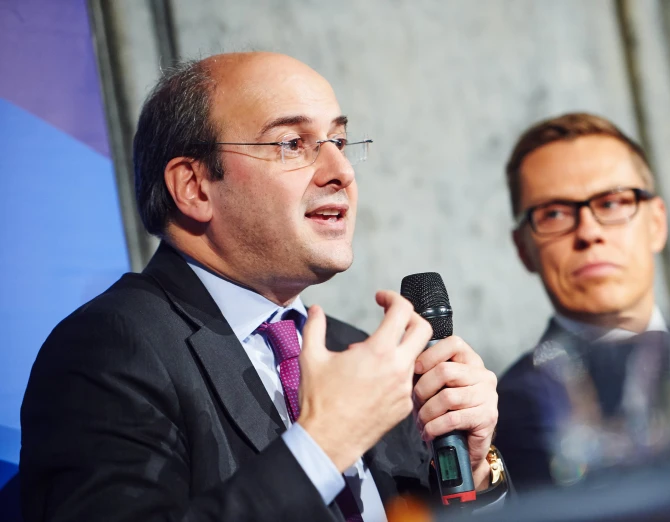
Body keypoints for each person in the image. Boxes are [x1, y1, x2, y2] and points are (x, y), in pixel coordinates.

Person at [20, 52, 504, 521]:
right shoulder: (108, 351)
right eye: (292, 143)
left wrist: (476, 472)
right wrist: (325, 443)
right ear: (194, 186)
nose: (342, 172)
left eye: (339, 140)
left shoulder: (356, 353)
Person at [495, 112, 670, 488]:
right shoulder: (497, 424)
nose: (588, 232)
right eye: (554, 213)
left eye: (611, 203)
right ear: (523, 249)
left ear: (656, 223)